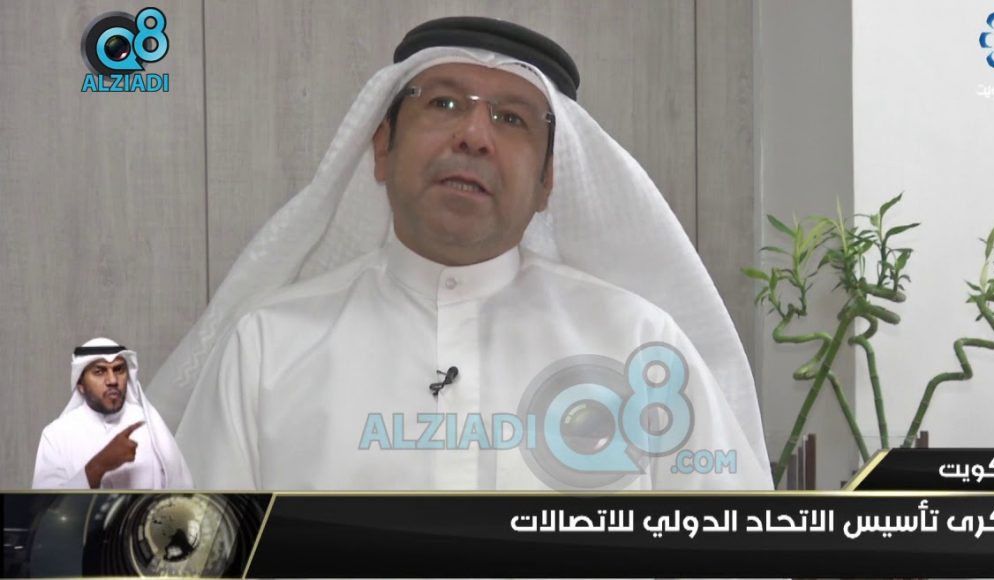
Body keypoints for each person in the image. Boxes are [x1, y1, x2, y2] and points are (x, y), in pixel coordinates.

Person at [150, 17, 772, 490]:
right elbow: (197, 555)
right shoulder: (266, 348)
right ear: (382, 147)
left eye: (512, 119)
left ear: (549, 182)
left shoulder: (640, 346)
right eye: (443, 103)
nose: (473, 136)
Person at [33, 338, 193, 489]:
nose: (112, 380)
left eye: (118, 370)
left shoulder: (151, 427)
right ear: (80, 383)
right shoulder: (57, 435)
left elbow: (182, 494)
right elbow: (48, 504)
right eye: (99, 371)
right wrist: (99, 465)